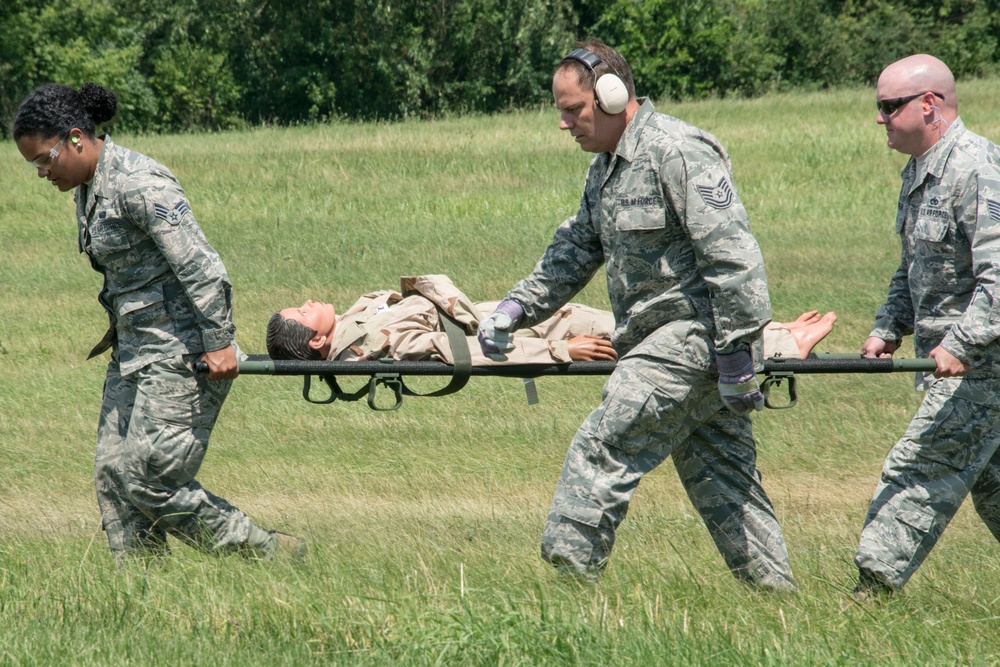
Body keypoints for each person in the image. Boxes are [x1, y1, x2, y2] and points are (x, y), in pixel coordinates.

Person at [477, 39, 797, 589]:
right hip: (666, 347)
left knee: (602, 448)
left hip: (692, 340)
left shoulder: (678, 150)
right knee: (726, 483)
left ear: (611, 94)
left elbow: (733, 258)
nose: (564, 124)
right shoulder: (605, 168)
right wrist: (514, 308)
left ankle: (568, 589)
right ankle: (781, 604)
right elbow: (576, 248)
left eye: (571, 110)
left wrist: (737, 354)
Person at [13, 83, 305, 565]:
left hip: (184, 354)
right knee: (113, 478)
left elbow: (203, 267)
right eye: (33, 164)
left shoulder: (139, 183)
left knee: (149, 480)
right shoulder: (88, 188)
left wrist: (219, 342)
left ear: (77, 137)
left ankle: (273, 555)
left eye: (44, 158)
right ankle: (146, 599)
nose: (41, 172)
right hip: (134, 353)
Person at [852, 54, 1000, 598]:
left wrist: (960, 343)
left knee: (917, 469)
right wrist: (889, 326)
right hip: (955, 365)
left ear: (929, 105)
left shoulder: (978, 169)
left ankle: (868, 597)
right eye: (880, 107)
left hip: (983, 367)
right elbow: (914, 263)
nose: (880, 118)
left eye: (890, 107)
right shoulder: (920, 172)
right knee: (995, 489)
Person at [266, 274, 836, 363]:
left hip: (522, 319)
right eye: (299, 311)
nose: (305, 299)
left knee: (648, 317)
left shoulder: (355, 319)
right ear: (317, 341)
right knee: (650, 331)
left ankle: (766, 334)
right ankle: (780, 347)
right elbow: (464, 356)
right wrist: (562, 351)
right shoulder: (370, 338)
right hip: (530, 334)